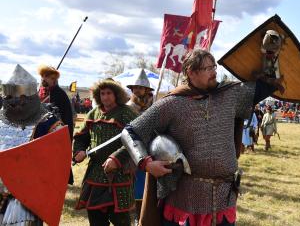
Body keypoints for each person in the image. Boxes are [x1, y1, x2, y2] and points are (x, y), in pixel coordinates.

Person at [120, 49, 279, 226]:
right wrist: (146, 163)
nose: (214, 72)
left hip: (224, 197)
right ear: (192, 72)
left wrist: (270, 57)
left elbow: (267, 85)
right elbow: (130, 132)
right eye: (208, 68)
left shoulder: (230, 95)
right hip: (186, 197)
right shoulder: (172, 104)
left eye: (214, 67)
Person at [0, 64, 68, 225]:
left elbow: (56, 161)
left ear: (29, 96)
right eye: (10, 98)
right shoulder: (1, 118)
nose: (15, 102)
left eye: (20, 97)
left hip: (26, 196)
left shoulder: (48, 122)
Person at [73, 79, 138, 226]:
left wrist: (117, 158)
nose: (105, 97)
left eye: (109, 93)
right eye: (102, 93)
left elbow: (136, 139)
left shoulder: (127, 113)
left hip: (120, 172)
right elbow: (81, 137)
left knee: (121, 220)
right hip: (96, 171)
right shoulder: (93, 114)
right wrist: (79, 150)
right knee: (95, 216)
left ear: (116, 95)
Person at [125, 69, 155, 226]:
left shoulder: (154, 106)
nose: (137, 90)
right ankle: (135, 213)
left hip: (150, 147)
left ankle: (145, 212)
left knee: (146, 183)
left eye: (140, 87)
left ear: (147, 90)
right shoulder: (128, 107)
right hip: (133, 148)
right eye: (135, 87)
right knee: (134, 183)